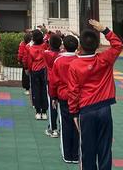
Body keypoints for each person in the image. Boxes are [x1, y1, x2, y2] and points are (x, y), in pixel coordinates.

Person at [68, 19, 123, 170]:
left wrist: (73, 112)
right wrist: (105, 30)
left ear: (79, 46)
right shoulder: (104, 59)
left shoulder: (75, 65)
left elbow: (73, 91)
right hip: (105, 109)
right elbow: (118, 45)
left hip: (86, 111)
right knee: (105, 148)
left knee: (88, 149)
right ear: (97, 46)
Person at [50, 35, 80, 164]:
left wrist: (53, 96)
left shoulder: (59, 61)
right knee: (78, 125)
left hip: (63, 97)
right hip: (78, 97)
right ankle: (76, 154)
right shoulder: (80, 60)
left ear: (64, 46)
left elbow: (53, 81)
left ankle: (68, 155)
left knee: (66, 125)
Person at [25, 29, 48, 120]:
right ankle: (44, 112)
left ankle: (38, 112)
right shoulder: (45, 46)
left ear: (33, 39)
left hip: (35, 71)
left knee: (36, 91)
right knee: (44, 91)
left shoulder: (30, 48)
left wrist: (28, 69)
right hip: (44, 70)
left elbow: (29, 61)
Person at [43, 33, 62, 137]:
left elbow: (44, 44)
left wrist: (47, 39)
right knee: (62, 106)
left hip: (51, 82)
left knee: (52, 106)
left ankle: (53, 129)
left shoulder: (46, 53)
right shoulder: (62, 54)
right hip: (62, 82)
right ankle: (60, 127)